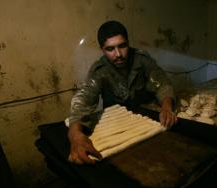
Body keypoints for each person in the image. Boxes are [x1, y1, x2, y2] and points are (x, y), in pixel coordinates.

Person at [67, 20, 177, 165]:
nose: (118, 54)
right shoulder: (99, 70)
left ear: (128, 43)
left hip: (145, 120)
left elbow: (162, 82)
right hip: (117, 124)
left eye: (122, 46)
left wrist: (167, 107)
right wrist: (75, 134)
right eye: (110, 49)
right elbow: (84, 99)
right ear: (102, 49)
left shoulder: (142, 60)